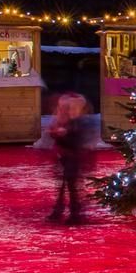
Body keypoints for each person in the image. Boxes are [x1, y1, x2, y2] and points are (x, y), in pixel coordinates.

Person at [48, 90, 92, 224]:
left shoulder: (78, 123)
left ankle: (75, 212)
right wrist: (56, 134)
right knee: (62, 185)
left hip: (73, 157)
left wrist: (65, 134)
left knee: (73, 186)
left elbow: (78, 140)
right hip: (63, 156)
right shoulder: (63, 121)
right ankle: (60, 209)